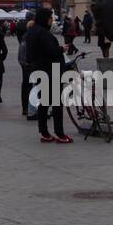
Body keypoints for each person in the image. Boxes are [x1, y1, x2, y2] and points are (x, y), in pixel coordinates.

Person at [23, 8, 72, 143]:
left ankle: (44, 132)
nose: (51, 21)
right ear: (44, 18)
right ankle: (60, 134)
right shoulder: (43, 33)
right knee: (56, 103)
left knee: (44, 103)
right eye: (50, 18)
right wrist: (61, 49)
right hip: (51, 71)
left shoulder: (32, 32)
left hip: (39, 71)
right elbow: (51, 51)